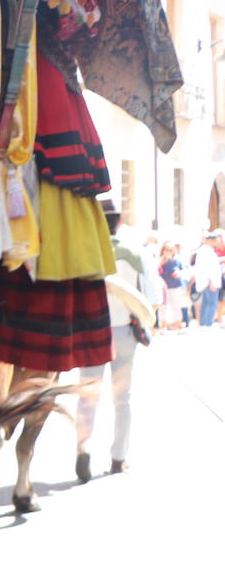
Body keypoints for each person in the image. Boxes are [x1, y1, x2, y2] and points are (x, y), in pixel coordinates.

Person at [76, 202, 155, 479]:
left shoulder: (87, 251)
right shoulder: (135, 253)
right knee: (123, 399)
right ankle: (118, 458)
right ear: (119, 222)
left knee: (88, 397)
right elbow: (150, 300)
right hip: (123, 332)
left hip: (92, 332)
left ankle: (83, 451)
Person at [190, 230, 222, 328]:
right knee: (211, 304)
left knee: (206, 304)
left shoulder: (205, 250)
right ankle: (207, 325)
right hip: (209, 283)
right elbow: (208, 269)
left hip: (206, 282)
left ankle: (203, 324)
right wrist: (211, 282)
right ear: (210, 240)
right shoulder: (206, 251)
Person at [159, 241, 187, 330]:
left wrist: (179, 273)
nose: (168, 252)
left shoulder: (177, 260)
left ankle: (178, 325)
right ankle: (163, 326)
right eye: (166, 249)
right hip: (163, 288)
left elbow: (184, 270)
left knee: (176, 306)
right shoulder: (159, 260)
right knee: (163, 307)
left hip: (175, 286)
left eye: (170, 250)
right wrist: (160, 263)